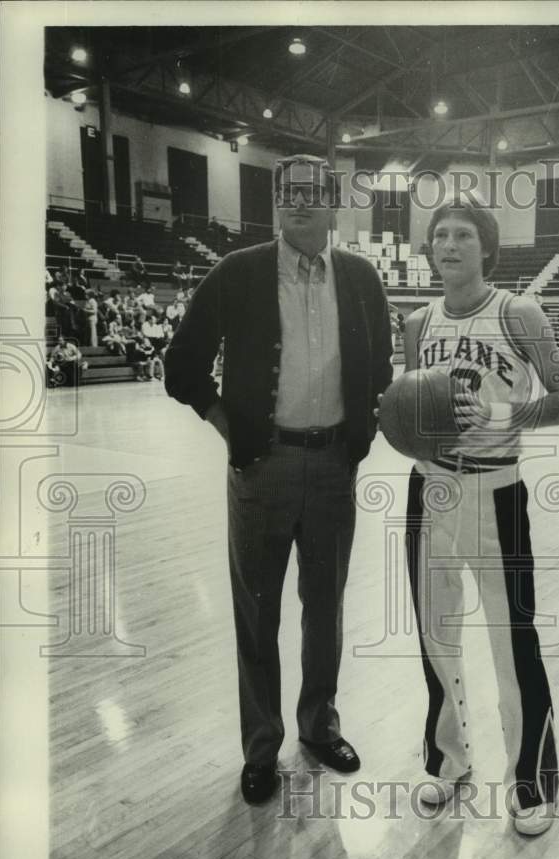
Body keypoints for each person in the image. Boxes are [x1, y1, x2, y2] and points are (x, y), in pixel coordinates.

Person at [165, 154, 393, 806]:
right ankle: (260, 748)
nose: (299, 202)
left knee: (324, 610)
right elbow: (181, 363)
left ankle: (318, 728)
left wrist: (363, 434)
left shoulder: (360, 278)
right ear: (276, 204)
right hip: (259, 469)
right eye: (287, 193)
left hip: (331, 471)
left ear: (331, 204)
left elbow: (378, 369)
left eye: (311, 193)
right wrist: (223, 422)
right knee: (257, 616)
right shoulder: (236, 273)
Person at [402, 198, 559, 837]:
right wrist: (398, 419)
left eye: (462, 235)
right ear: (429, 249)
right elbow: (414, 409)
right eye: (439, 235)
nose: (449, 244)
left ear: (486, 248)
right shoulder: (418, 323)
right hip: (429, 491)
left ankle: (531, 777)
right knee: (433, 635)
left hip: (497, 495)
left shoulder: (518, 313)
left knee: (514, 644)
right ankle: (446, 761)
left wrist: (503, 416)